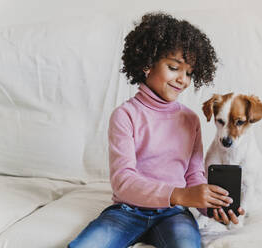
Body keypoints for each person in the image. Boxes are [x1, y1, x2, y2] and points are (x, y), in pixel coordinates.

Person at [68, 12, 245, 248]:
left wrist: (210, 204)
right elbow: (123, 180)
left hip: (174, 214)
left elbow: (193, 176)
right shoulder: (125, 115)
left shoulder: (190, 120)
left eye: (190, 73)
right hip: (126, 211)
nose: (183, 79)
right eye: (174, 67)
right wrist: (178, 194)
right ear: (146, 64)